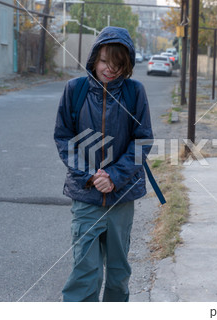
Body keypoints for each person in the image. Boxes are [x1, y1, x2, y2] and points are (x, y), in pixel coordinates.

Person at [54, 26, 153, 302]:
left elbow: (143, 140)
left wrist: (113, 176)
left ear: (128, 65)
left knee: (119, 275)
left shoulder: (135, 92)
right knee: (85, 272)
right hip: (85, 197)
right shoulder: (75, 90)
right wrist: (91, 176)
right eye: (105, 61)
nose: (110, 69)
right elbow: (64, 138)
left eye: (119, 64)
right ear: (94, 57)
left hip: (122, 197)